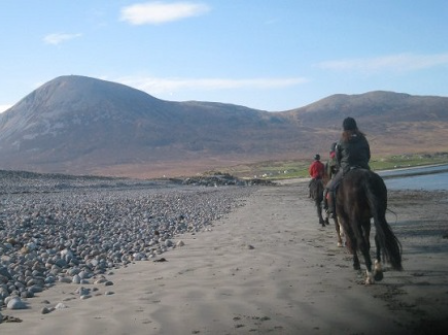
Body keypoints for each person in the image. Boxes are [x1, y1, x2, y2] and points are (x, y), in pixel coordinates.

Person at [326, 117, 370, 216]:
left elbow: (338, 159)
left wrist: (341, 166)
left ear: (344, 127)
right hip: (363, 167)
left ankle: (332, 210)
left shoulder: (341, 141)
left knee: (331, 188)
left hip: (346, 169)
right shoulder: (363, 138)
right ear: (355, 126)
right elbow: (368, 155)